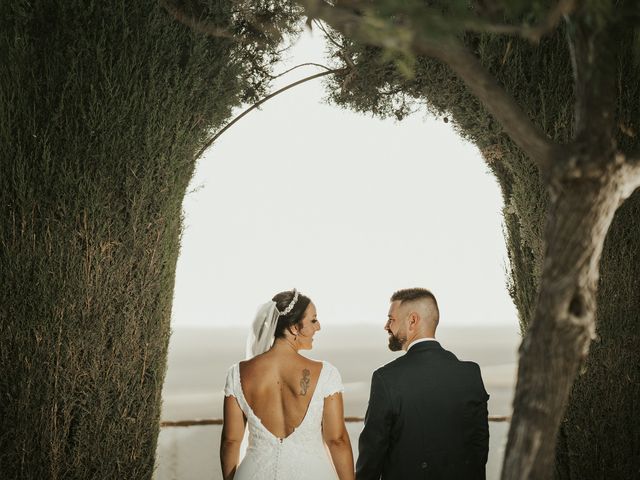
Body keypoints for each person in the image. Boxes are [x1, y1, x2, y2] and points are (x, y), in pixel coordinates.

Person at [356, 288, 489, 480]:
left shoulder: (386, 378)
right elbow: (480, 446)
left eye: (391, 319)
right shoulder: (470, 373)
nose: (386, 326)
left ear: (412, 320)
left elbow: (372, 454)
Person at [221, 289, 354, 480]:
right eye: (313, 320)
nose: (319, 327)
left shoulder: (237, 374)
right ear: (293, 327)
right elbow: (337, 440)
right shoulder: (326, 374)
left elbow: (231, 441)